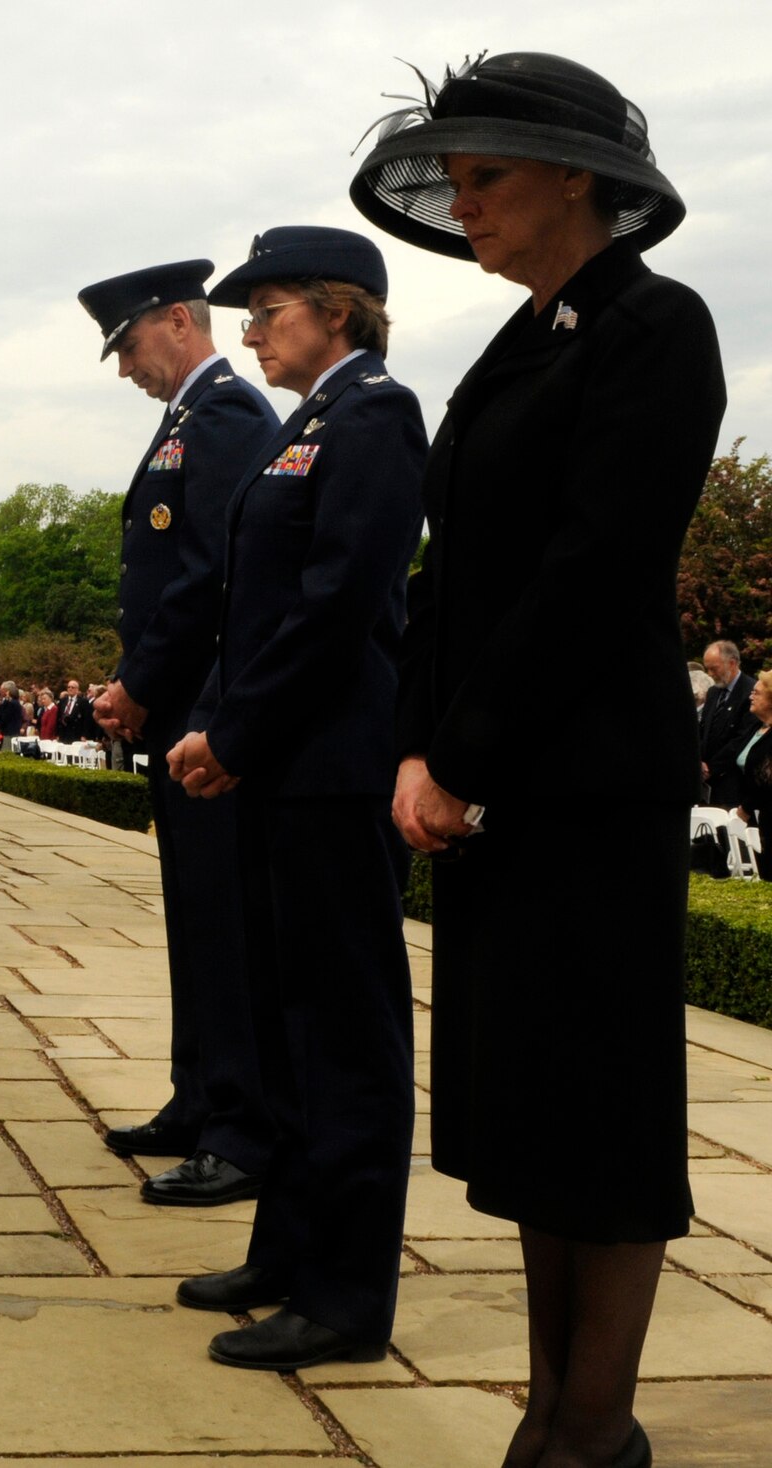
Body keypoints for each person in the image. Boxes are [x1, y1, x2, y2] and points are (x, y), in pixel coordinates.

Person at [357, 52, 727, 1468]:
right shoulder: (521, 342)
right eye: (453, 183)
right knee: (532, 1122)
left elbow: (594, 567)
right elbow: (452, 577)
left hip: (584, 787)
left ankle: (593, 1426)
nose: (468, 205)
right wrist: (414, 741)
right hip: (497, 788)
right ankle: (553, 1411)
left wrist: (464, 753)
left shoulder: (656, 325)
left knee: (604, 1115)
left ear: (579, 177)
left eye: (488, 176)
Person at [167, 227, 426, 1369]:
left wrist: (234, 728)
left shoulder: (375, 414)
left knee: (345, 1035)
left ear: (337, 310)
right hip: (285, 764)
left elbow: (335, 602)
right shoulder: (304, 425)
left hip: (332, 767)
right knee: (282, 1021)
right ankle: (286, 1249)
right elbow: (252, 604)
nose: (251, 331)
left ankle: (345, 1293)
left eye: (268, 310)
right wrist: (222, 729)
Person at [78, 258, 282, 1207]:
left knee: (226, 927)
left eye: (126, 345)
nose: (124, 368)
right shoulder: (187, 422)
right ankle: (197, 1099)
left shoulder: (230, 416)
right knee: (196, 921)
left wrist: (140, 686)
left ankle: (239, 1126)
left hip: (205, 706)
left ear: (174, 321)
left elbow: (209, 573)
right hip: (179, 707)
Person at [701, 640, 753, 808]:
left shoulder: (750, 692)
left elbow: (741, 738)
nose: (710, 674)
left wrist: (711, 768)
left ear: (732, 663)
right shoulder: (713, 692)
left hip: (731, 782)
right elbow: (704, 731)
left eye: (713, 668)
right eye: (707, 668)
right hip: (707, 781)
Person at [732, 670, 772, 833]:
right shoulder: (756, 726)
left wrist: (746, 808)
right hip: (750, 815)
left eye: (756, 693)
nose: (750, 697)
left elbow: (767, 779)